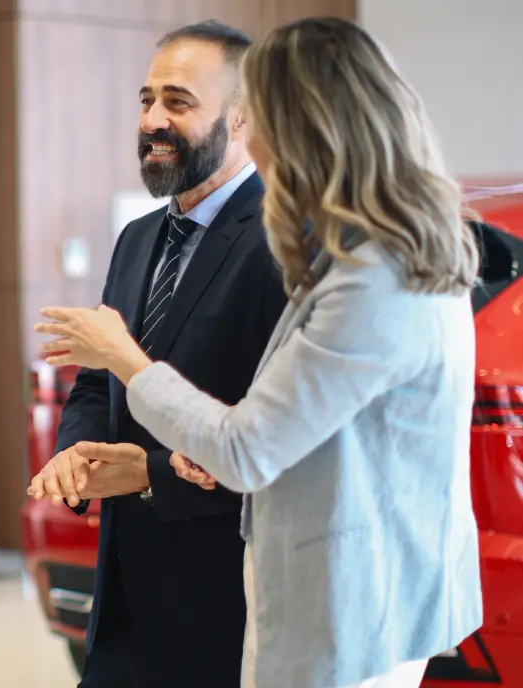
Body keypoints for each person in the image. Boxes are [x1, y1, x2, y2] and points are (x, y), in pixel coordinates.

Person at [34, 17, 483, 688]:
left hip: (337, 601)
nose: (260, 141)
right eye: (146, 98)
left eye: (180, 101)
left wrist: (128, 373)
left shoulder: (362, 271)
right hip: (216, 589)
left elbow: (248, 445)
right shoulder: (368, 254)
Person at [28, 21, 287, 687]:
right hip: (121, 591)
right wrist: (77, 451)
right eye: (145, 101)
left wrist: (147, 472)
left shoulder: (281, 242)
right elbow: (97, 378)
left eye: (177, 102)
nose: (152, 120)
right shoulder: (137, 238)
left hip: (222, 596)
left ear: (240, 116)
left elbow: (270, 430)